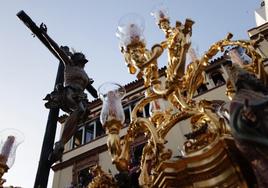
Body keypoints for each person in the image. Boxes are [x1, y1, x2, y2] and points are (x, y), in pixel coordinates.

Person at [46, 46, 98, 162]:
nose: (83, 62)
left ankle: (61, 144)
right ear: (76, 60)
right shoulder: (69, 64)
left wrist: (96, 91)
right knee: (79, 110)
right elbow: (58, 51)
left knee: (80, 113)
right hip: (69, 92)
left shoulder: (84, 73)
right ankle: (60, 143)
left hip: (81, 96)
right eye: (81, 59)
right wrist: (44, 34)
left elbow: (93, 92)